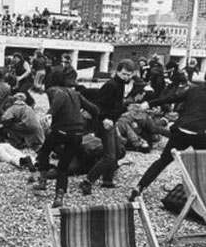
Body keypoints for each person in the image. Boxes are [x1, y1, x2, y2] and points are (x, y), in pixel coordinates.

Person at [129, 72, 206, 201]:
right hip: (199, 134)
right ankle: (200, 193)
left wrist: (148, 104)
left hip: (181, 130)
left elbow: (172, 98)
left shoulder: (194, 90)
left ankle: (140, 187)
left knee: (163, 160)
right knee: (202, 163)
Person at [33, 71, 99, 207]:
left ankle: (43, 181)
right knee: (63, 166)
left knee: (44, 151)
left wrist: (50, 114)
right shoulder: (76, 93)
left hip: (61, 131)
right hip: (77, 134)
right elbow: (94, 109)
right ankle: (59, 196)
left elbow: (60, 98)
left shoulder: (53, 90)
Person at [79, 59, 135, 195]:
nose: (126, 77)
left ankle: (107, 179)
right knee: (109, 155)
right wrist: (105, 119)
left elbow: (115, 106)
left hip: (111, 121)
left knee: (116, 150)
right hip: (104, 123)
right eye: (124, 74)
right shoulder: (111, 85)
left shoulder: (120, 84)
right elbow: (98, 106)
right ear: (117, 71)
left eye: (129, 75)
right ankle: (87, 181)